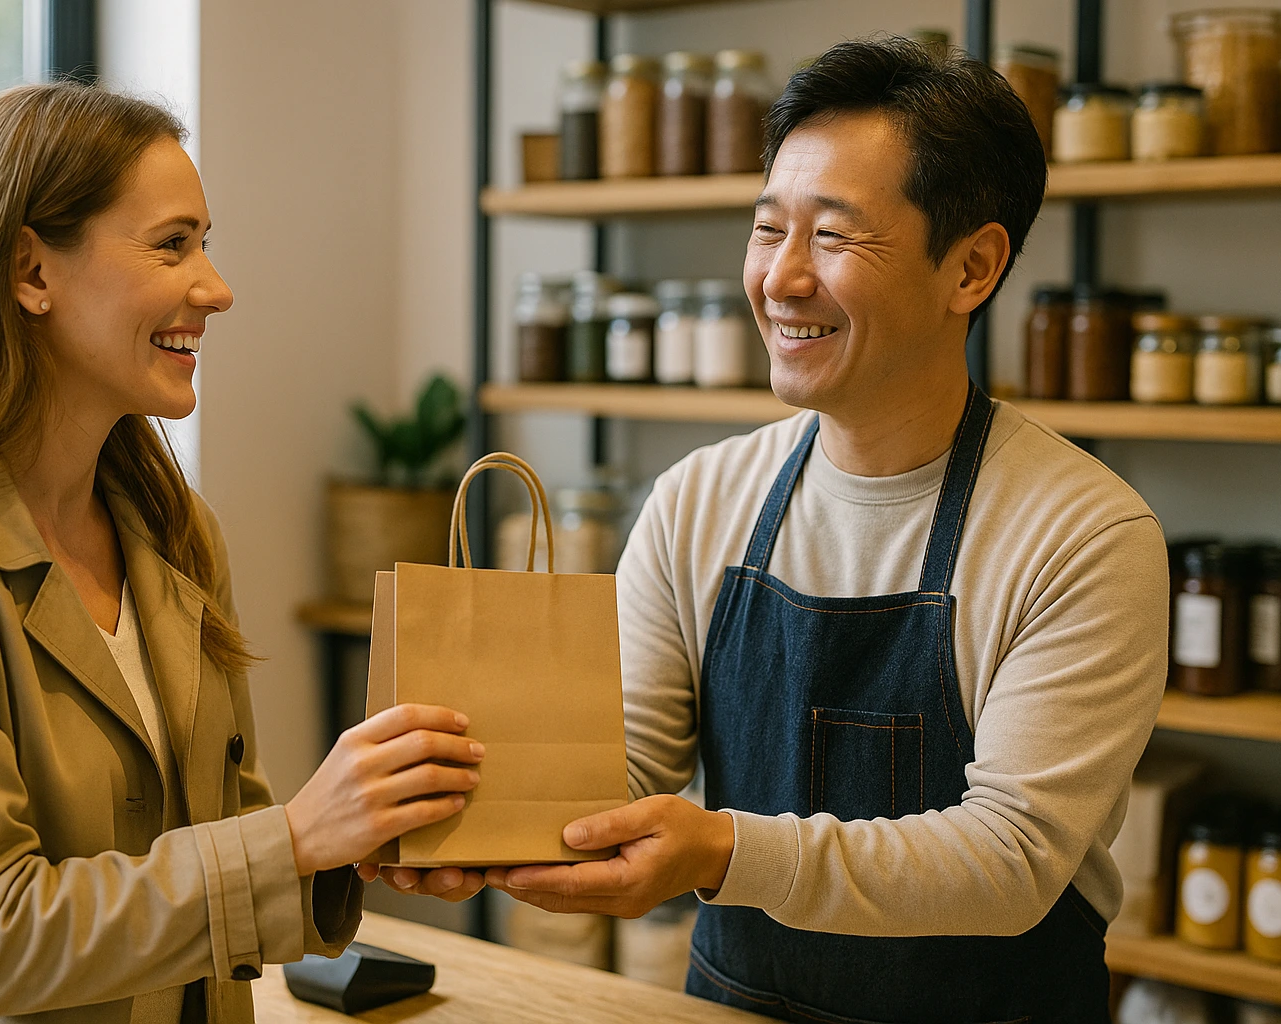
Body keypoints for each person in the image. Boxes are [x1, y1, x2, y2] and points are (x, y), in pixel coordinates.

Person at [397, 38, 1167, 1023]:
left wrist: (721, 850)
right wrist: (470, 813)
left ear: (972, 268)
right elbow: (620, 769)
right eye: (768, 230)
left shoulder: (1084, 535)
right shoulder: (699, 499)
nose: (781, 279)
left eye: (833, 237)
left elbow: (1010, 857)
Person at [0, 83, 483, 1024]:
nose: (216, 288)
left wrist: (357, 838)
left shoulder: (178, 534)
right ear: (31, 272)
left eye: (205, 243)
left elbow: (229, 845)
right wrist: (296, 840)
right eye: (172, 245)